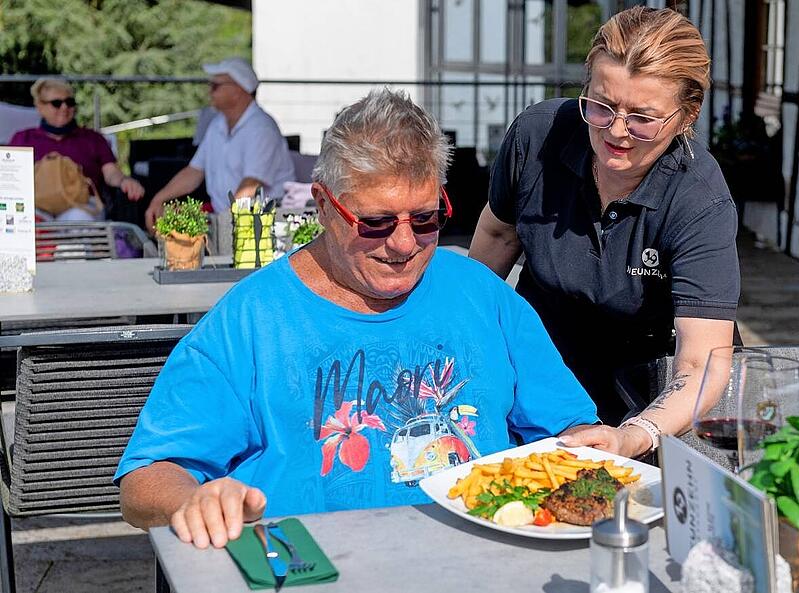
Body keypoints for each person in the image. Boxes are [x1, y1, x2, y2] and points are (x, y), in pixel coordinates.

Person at [116, 89, 624, 550]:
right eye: (376, 222)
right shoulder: (253, 318)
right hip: (314, 571)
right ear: (323, 206)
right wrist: (191, 502)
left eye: (425, 218)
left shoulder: (480, 293)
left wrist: (592, 442)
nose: (404, 244)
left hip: (482, 563)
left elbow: (567, 430)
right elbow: (146, 479)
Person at [469, 7, 740, 459]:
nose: (617, 131)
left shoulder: (700, 199)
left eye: (643, 117)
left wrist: (635, 434)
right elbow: (497, 236)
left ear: (687, 115)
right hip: (543, 367)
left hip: (654, 388)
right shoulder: (537, 138)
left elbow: (702, 363)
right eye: (601, 105)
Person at [144, 57, 294, 232]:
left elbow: (249, 187)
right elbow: (194, 172)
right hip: (226, 217)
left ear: (238, 90)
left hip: (261, 225)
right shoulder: (217, 124)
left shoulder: (262, 128)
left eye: (215, 86)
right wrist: (158, 200)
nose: (209, 91)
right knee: (167, 223)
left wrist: (217, 226)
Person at [8, 78, 145, 221]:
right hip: (37, 205)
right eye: (56, 103)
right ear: (39, 106)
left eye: (70, 102)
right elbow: (10, 178)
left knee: (81, 219)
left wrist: (124, 181)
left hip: (82, 204)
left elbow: (111, 173)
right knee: (24, 220)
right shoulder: (23, 139)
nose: (64, 108)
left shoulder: (93, 139)